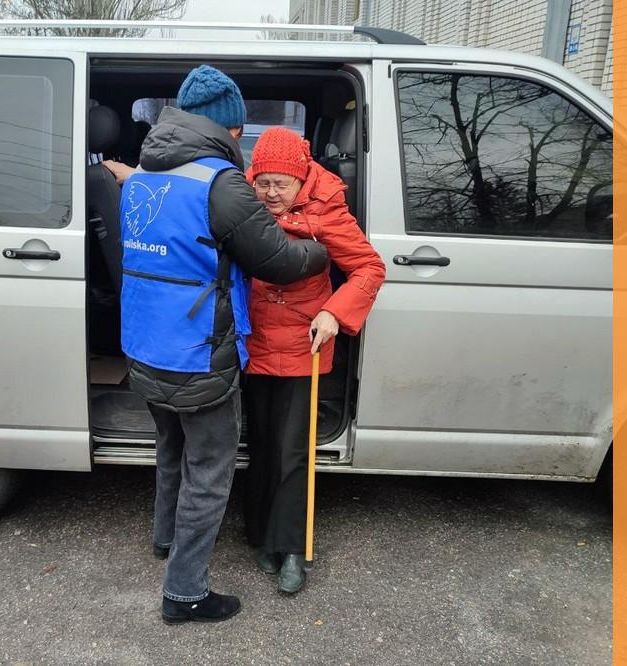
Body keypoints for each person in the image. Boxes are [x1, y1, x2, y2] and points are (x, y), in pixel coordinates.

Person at [118, 66, 329, 624]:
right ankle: (185, 593)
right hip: (198, 353)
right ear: (228, 128)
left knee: (171, 449)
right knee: (208, 473)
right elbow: (278, 262)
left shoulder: (141, 175)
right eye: (239, 132)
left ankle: (165, 540)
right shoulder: (218, 182)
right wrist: (322, 249)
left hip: (144, 345)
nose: (240, 142)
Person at [242, 127, 386, 594]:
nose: (270, 192)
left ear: (302, 176)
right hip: (252, 342)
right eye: (263, 182)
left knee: (292, 450)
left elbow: (369, 267)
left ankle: (291, 550)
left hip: (304, 344)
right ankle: (260, 534)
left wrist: (333, 312)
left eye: (280, 184)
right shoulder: (242, 202)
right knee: (261, 444)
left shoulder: (326, 208)